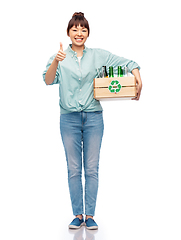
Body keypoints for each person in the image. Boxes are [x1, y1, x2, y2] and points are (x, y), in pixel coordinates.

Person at [43, 12, 142, 230]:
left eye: (83, 30)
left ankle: (90, 216)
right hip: (68, 118)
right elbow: (48, 80)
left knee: (92, 168)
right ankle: (77, 214)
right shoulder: (59, 56)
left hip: (94, 118)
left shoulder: (98, 55)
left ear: (88, 33)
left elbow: (129, 62)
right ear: (68, 33)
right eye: (75, 29)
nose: (79, 33)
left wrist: (137, 74)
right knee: (73, 168)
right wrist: (56, 63)